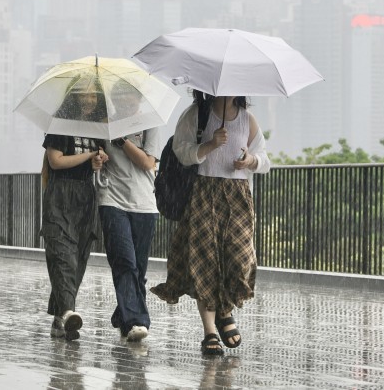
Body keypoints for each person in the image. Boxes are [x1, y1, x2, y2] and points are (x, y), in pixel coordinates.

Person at [150, 91, 271, 356]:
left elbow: (264, 160)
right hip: (202, 193)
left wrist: (250, 161)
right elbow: (181, 152)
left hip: (238, 197)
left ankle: (224, 311)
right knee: (205, 262)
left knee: (239, 260)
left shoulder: (248, 120)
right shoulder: (195, 115)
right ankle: (210, 331)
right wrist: (210, 145)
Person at [42, 89, 109, 341]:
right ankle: (69, 312)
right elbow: (56, 161)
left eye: (93, 96)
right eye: (84, 95)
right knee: (62, 255)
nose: (89, 100)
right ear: (73, 96)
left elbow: (93, 163)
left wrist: (98, 160)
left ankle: (61, 318)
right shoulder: (60, 124)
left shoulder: (97, 129)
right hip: (60, 194)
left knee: (78, 257)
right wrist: (89, 155)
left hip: (85, 196)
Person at [96, 90, 160, 343]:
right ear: (114, 99)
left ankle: (123, 314)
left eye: (130, 97)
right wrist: (99, 157)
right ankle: (136, 321)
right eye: (120, 96)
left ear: (139, 99)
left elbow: (147, 163)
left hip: (144, 203)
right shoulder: (104, 125)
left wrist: (122, 140)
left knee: (138, 269)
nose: (125, 100)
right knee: (124, 261)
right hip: (112, 200)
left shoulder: (150, 124)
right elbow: (97, 156)